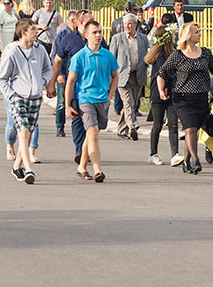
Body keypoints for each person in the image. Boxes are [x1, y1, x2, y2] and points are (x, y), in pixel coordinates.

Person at [157, 21, 213, 174]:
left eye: (199, 31)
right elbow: (162, 72)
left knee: (191, 131)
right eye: (196, 32)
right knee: (190, 128)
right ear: (188, 36)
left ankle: (186, 161)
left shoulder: (205, 52)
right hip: (182, 98)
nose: (199, 34)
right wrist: (161, 89)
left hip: (201, 98)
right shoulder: (178, 55)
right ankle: (195, 160)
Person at [0, 19, 53, 184]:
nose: (37, 32)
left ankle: (17, 165)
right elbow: (2, 79)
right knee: (22, 131)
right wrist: (12, 95)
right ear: (24, 32)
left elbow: (47, 69)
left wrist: (41, 81)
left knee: (28, 133)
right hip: (18, 97)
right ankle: (29, 169)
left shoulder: (40, 49)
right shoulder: (12, 51)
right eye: (33, 30)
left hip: (35, 97)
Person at [66, 20, 118, 182]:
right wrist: (67, 104)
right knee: (93, 132)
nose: (98, 35)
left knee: (91, 135)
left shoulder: (108, 55)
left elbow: (115, 76)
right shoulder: (79, 57)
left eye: (100, 32)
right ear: (86, 35)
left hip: (102, 100)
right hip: (85, 99)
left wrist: (110, 96)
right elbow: (71, 81)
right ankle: (97, 169)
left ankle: (81, 166)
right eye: (94, 32)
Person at [110, 13, 149, 141]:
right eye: (125, 24)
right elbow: (111, 58)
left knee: (131, 104)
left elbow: (147, 56)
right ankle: (133, 126)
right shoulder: (117, 38)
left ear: (135, 24)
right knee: (128, 102)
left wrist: (149, 69)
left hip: (137, 75)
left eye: (130, 24)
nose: (127, 26)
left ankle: (121, 129)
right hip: (122, 76)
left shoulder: (143, 38)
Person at [51, 11, 88, 143]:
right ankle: (60, 126)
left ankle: (84, 146)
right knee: (62, 102)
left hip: (87, 84)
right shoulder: (63, 36)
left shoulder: (93, 38)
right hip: (66, 77)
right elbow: (57, 57)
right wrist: (59, 74)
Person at [145, 13, 176, 166]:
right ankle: (153, 153)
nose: (175, 39)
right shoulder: (161, 57)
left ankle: (175, 154)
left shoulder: (172, 54)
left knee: (173, 123)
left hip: (171, 92)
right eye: (173, 36)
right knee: (157, 123)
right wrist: (162, 91)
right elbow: (160, 76)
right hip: (160, 93)